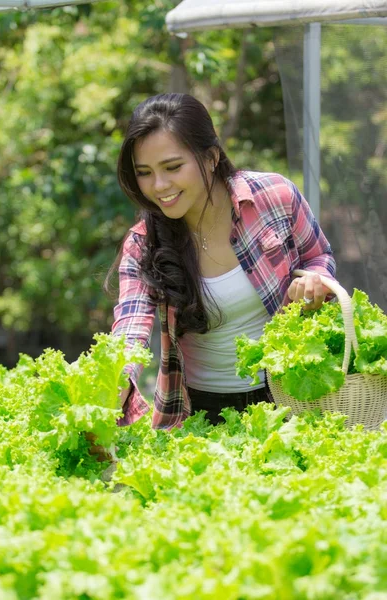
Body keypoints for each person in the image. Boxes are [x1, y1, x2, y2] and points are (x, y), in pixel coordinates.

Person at [106, 93, 336, 430]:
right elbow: (130, 328)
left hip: (290, 397)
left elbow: (318, 254)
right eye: (144, 172)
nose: (159, 185)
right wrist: (109, 389)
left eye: (172, 167)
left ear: (211, 156)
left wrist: (316, 279)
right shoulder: (144, 242)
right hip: (200, 411)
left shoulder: (274, 196)